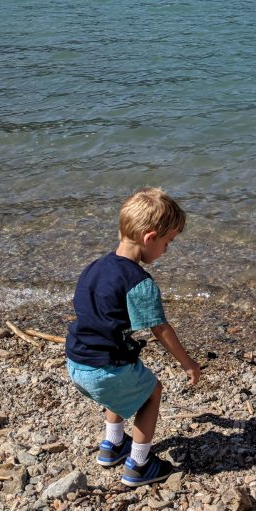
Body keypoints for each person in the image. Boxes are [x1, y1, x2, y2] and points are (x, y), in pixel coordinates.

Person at [65, 187, 201, 487]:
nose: (167, 250)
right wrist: (188, 363)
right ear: (149, 238)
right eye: (168, 243)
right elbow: (160, 328)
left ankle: (112, 445)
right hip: (105, 369)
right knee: (151, 392)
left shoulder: (94, 268)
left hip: (76, 362)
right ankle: (139, 465)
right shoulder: (139, 282)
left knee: (126, 379)